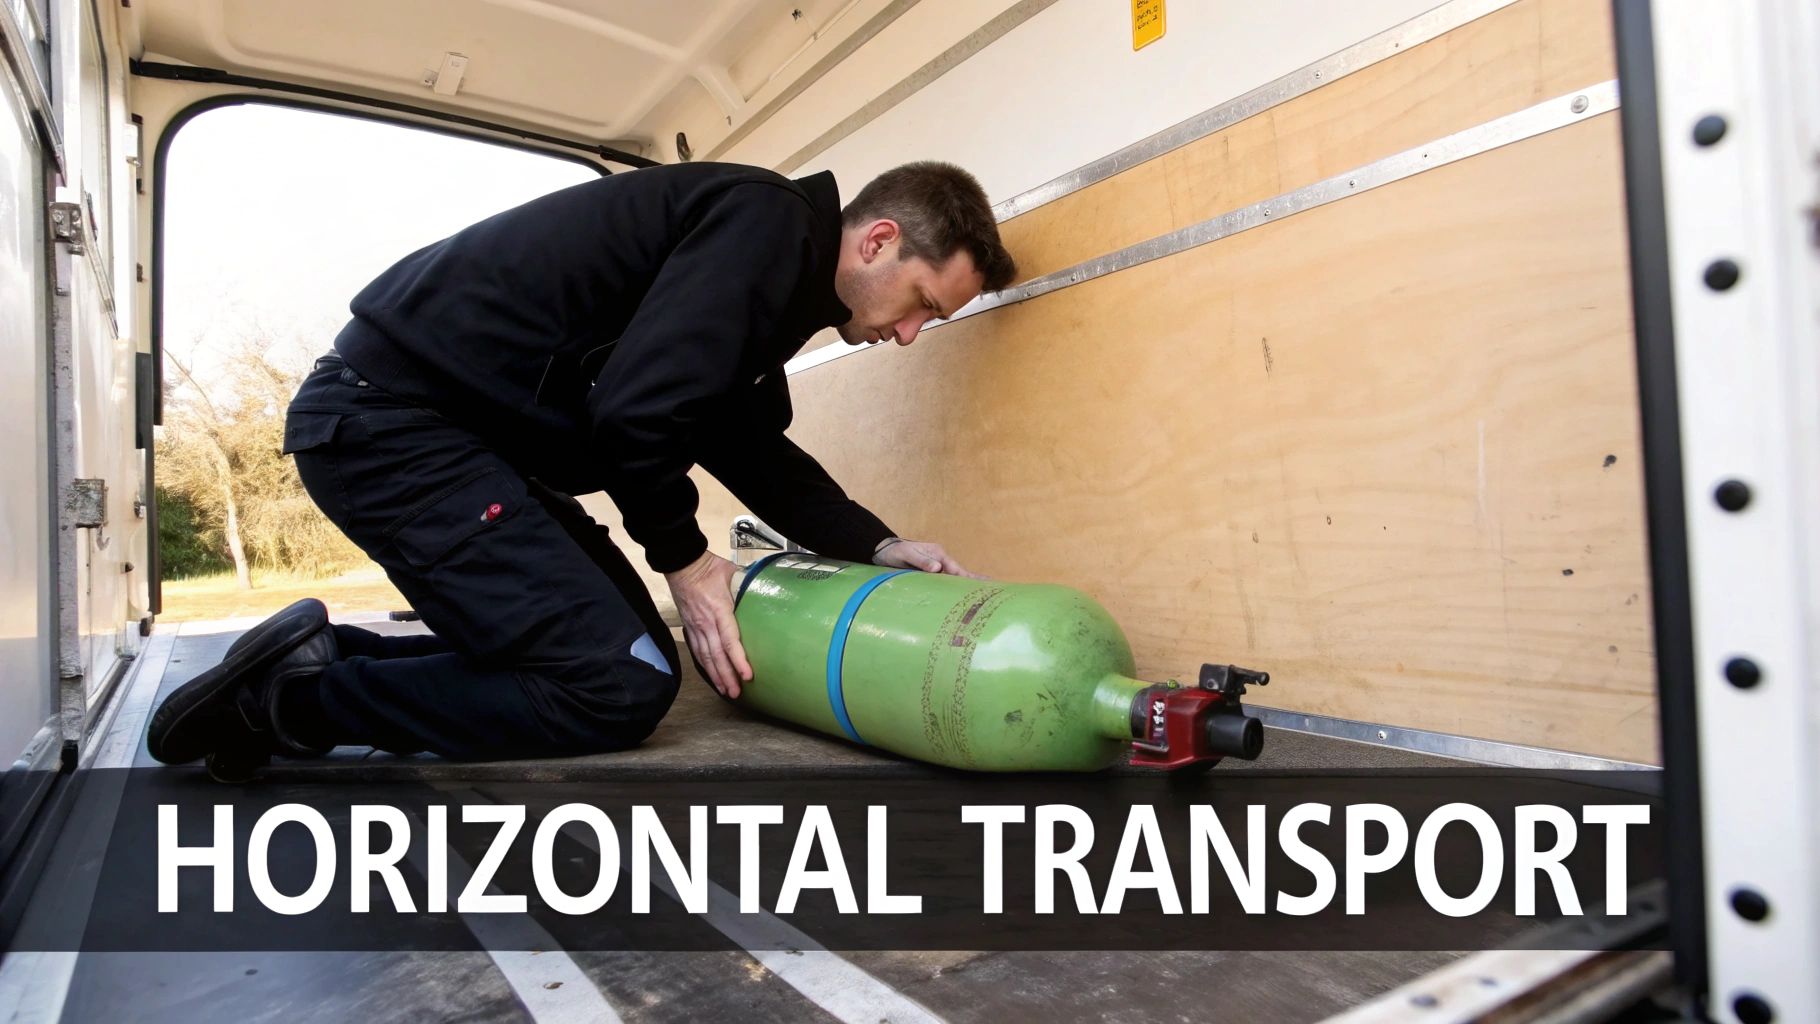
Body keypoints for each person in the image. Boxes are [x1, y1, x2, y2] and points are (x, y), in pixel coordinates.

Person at [146, 159, 1018, 779]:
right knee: (617, 687)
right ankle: (291, 707)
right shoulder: (766, 227)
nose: (908, 334)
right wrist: (688, 558)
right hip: (391, 427)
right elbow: (635, 413)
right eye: (922, 307)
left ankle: (330, 655)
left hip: (453, 443)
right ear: (877, 241)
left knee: (634, 650)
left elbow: (750, 446)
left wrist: (880, 544)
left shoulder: (772, 281)